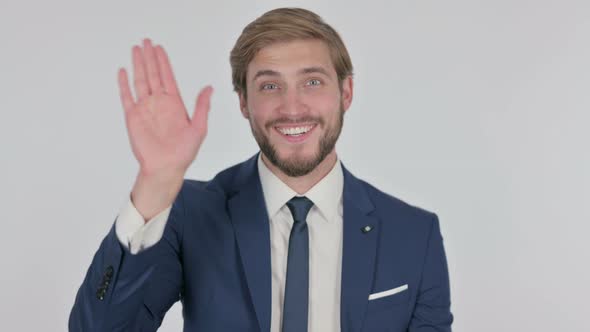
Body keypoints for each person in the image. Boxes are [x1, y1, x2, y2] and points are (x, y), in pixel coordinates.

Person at [69, 7, 453, 332]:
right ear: (243, 103)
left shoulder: (415, 235)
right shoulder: (191, 213)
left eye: (312, 82)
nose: (292, 108)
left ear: (346, 93)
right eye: (270, 87)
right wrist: (155, 182)